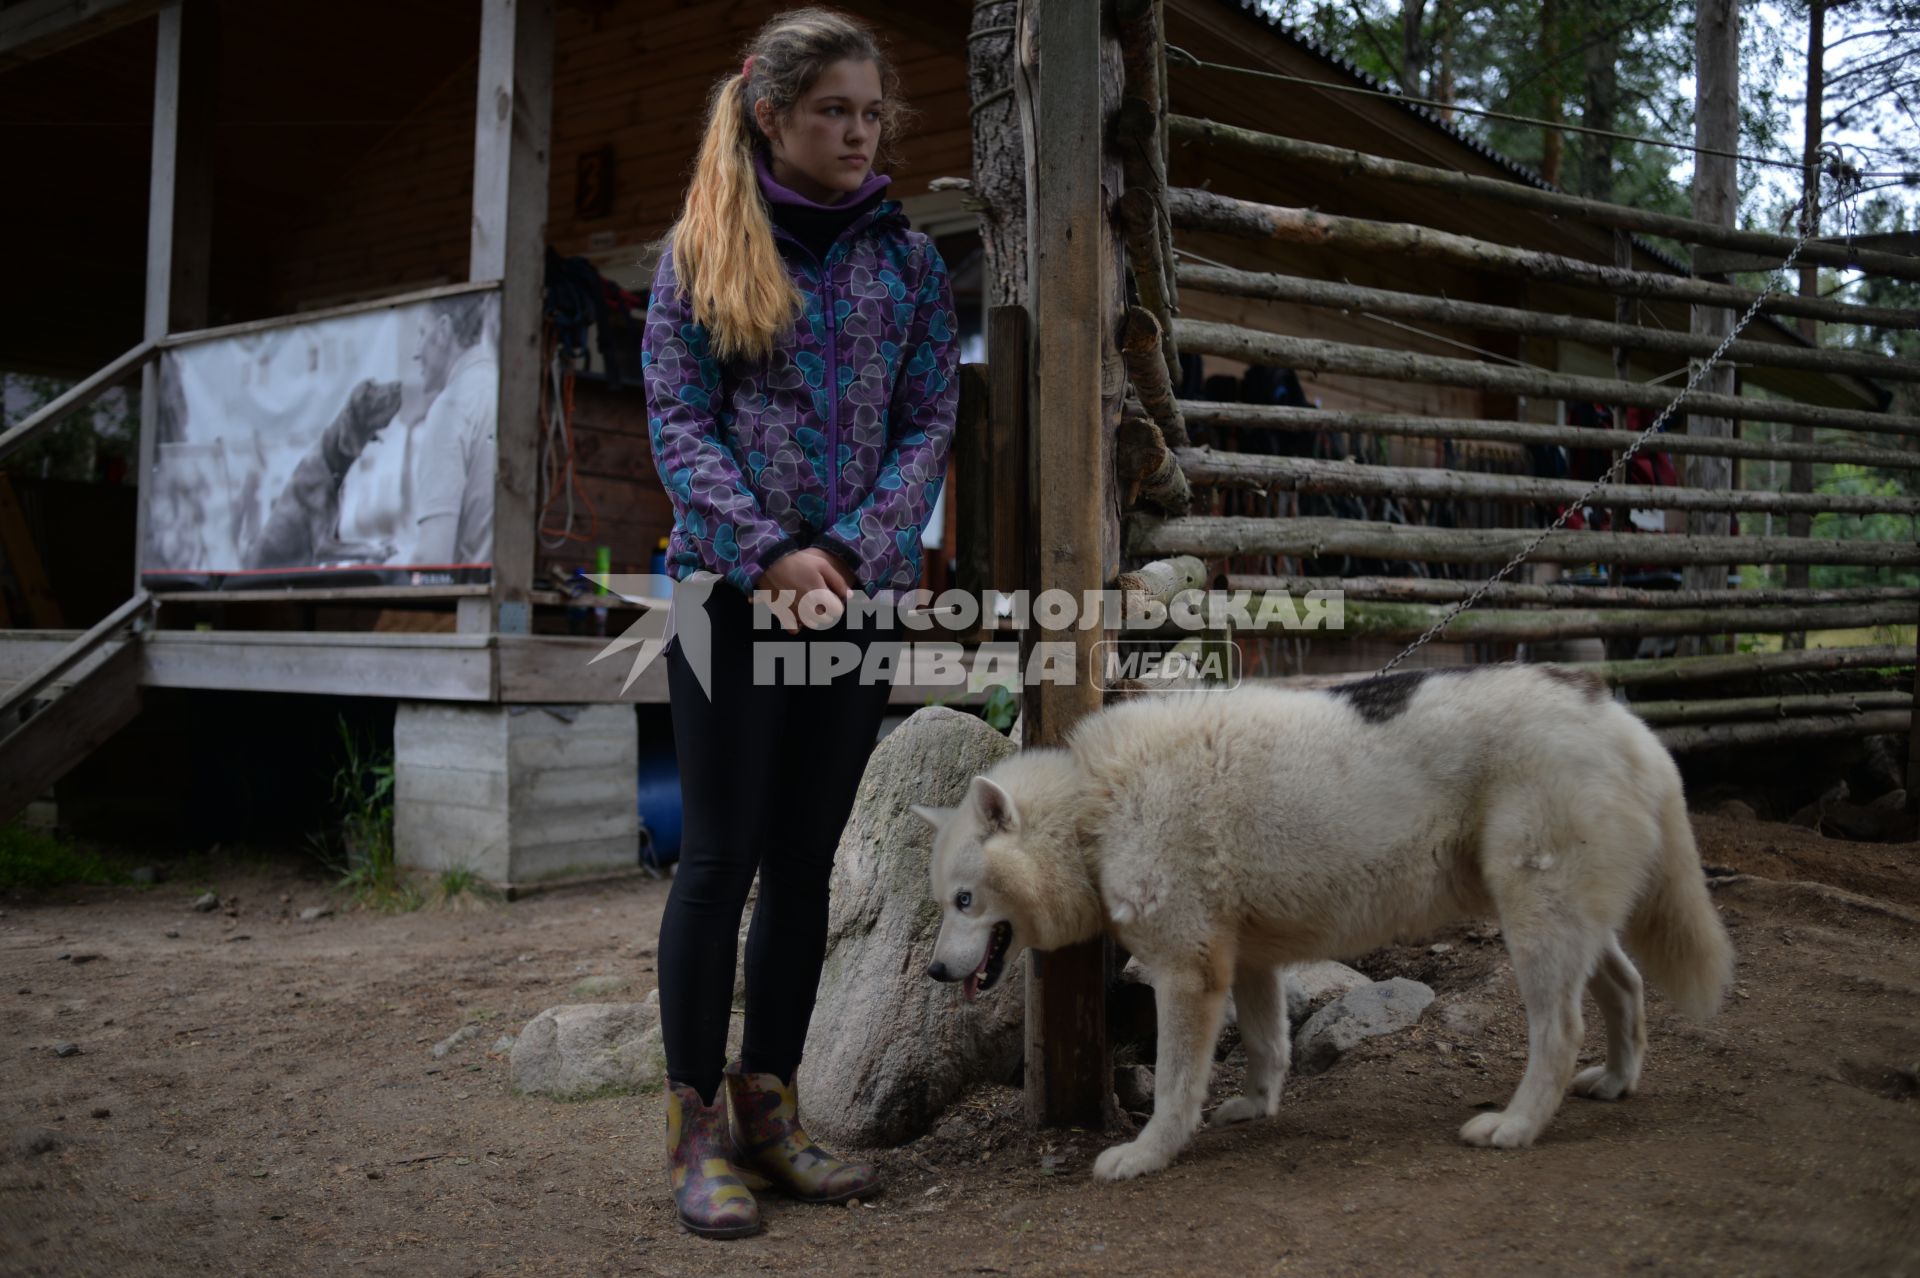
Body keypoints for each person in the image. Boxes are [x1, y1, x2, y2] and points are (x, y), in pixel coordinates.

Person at [641, 7, 958, 1240]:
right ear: (773, 115)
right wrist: (771, 554)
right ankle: (691, 1137)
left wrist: (861, 554)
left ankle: (770, 1116)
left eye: (873, 113)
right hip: (726, 597)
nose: (859, 131)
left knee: (806, 864)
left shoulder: (911, 265)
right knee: (717, 857)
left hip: (856, 600)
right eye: (836, 110)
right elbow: (678, 423)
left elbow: (926, 423)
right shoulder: (704, 252)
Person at [409, 293, 498, 568]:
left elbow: (433, 558)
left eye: (422, 333)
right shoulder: (501, 388)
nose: (416, 351)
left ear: (444, 330)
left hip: (469, 605)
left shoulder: (451, 406)